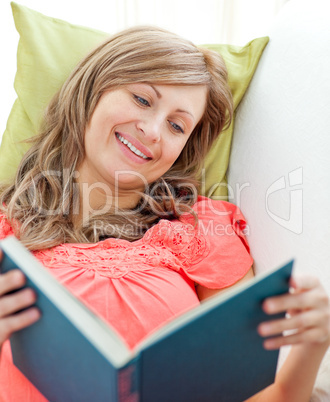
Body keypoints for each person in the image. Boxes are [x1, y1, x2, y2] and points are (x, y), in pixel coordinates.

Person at [0, 25, 328, 401]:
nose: (153, 131)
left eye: (177, 125)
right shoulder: (7, 233)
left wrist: (311, 348)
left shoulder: (202, 232)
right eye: (142, 100)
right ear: (92, 88)